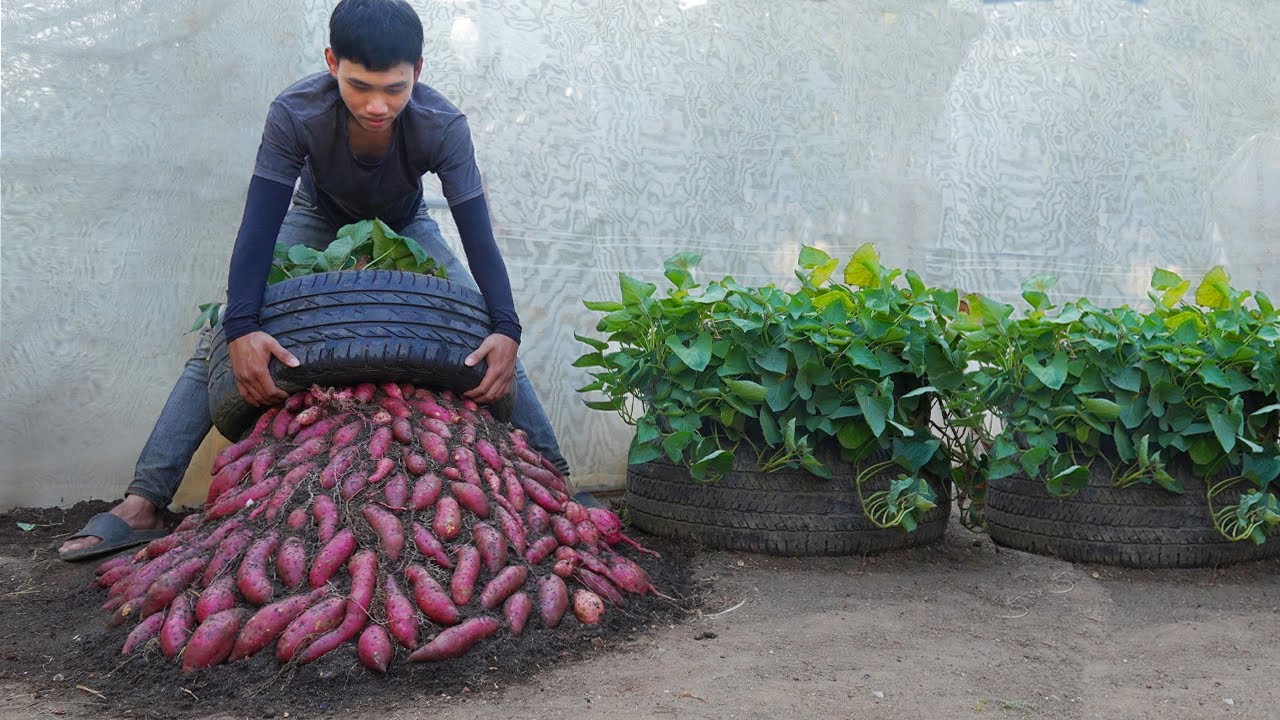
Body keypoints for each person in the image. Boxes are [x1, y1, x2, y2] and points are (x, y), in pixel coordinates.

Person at [59, 0, 578, 561]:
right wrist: (241, 327)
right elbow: (258, 227)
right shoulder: (296, 111)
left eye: (395, 89)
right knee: (220, 336)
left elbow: (478, 234)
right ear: (332, 63)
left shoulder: (442, 125)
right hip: (315, 212)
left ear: (418, 72)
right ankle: (144, 502)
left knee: (482, 328)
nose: (378, 105)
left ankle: (558, 484)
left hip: (406, 220)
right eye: (359, 86)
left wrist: (507, 326)